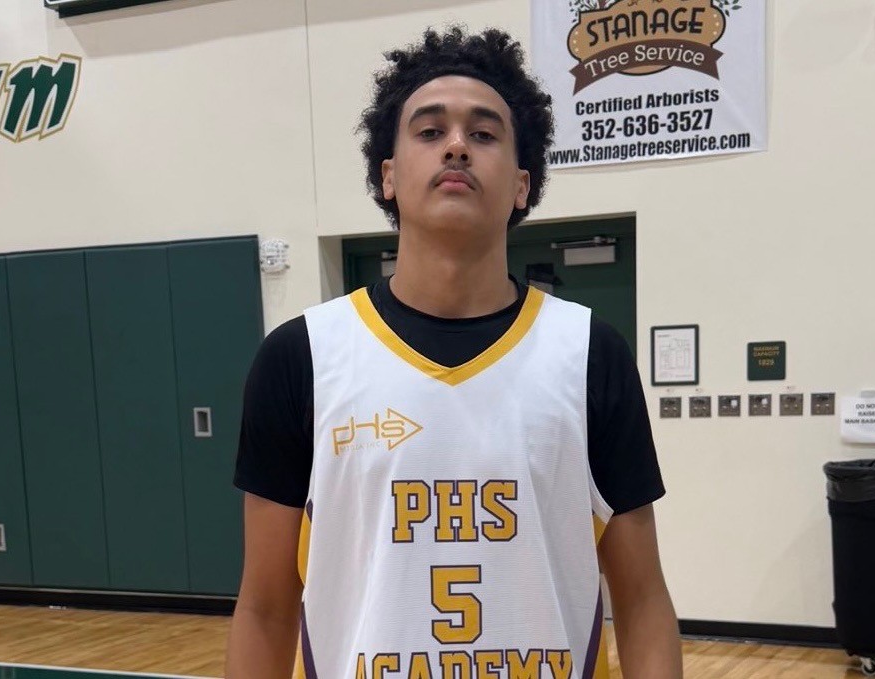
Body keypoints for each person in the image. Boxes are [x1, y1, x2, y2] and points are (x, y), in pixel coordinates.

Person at [225, 26, 682, 679]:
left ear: (522, 185)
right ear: (388, 174)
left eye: (485, 133)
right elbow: (266, 609)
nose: (458, 146)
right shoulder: (301, 357)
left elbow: (642, 601)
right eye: (430, 130)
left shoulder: (589, 352)